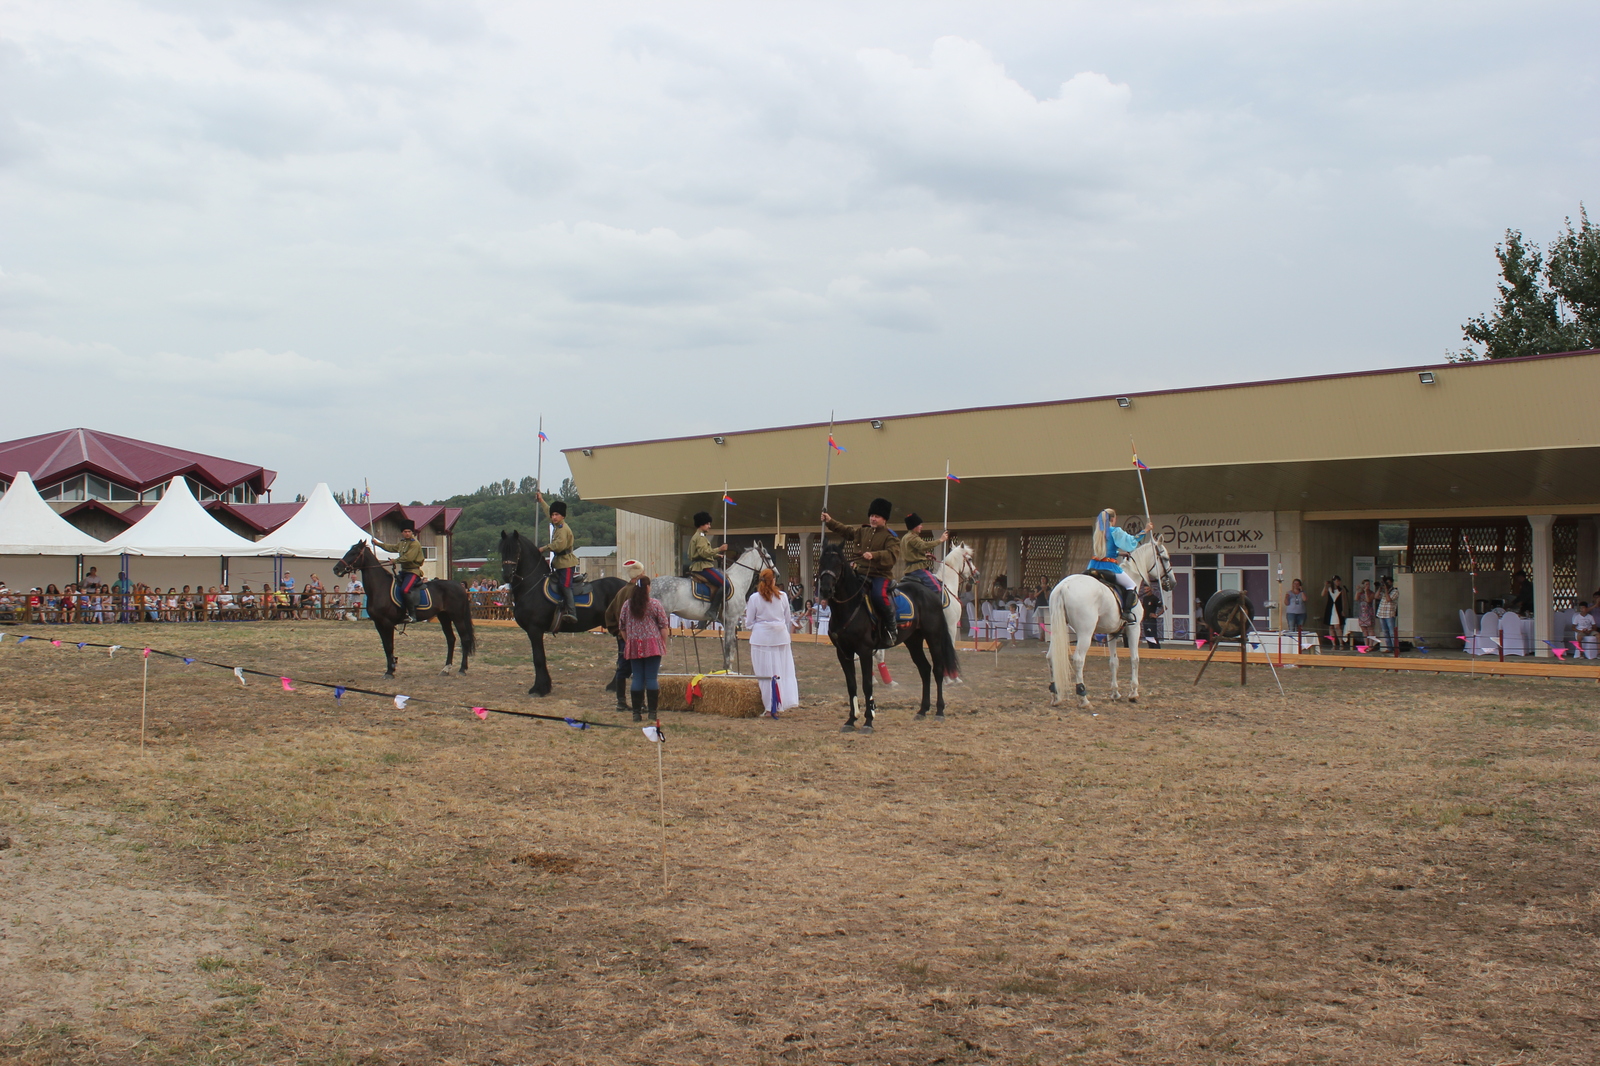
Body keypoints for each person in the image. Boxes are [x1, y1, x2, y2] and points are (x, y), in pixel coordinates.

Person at [823, 497, 901, 648]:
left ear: (884, 519)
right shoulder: (862, 531)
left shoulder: (891, 537)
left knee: (879, 596)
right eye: (871, 515)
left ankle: (891, 629)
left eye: (877, 516)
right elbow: (846, 531)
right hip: (859, 573)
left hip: (879, 575)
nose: (873, 519)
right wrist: (829, 521)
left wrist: (874, 555)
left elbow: (892, 555)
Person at [746, 567, 799, 716]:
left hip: (762, 639)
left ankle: (771, 707)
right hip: (780, 637)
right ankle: (778, 703)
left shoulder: (754, 598)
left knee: (765, 674)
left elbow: (749, 622)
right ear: (773, 580)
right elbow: (788, 619)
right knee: (781, 672)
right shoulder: (782, 596)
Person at [620, 574, 671, 722]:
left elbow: (622, 627)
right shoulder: (655, 604)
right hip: (653, 645)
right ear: (648, 588)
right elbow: (663, 626)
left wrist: (629, 640)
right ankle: (652, 713)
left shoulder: (627, 605)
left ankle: (636, 713)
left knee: (637, 678)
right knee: (651, 678)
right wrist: (663, 643)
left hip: (634, 644)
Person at [1089, 508, 1153, 625]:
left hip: (1093, 566)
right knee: (1131, 585)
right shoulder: (1115, 531)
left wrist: (1119, 553)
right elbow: (1131, 542)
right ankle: (1127, 612)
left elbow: (1103, 551)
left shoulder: (1098, 532)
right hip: (1109, 568)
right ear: (1113, 519)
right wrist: (1146, 530)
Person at [604, 560, 648, 712]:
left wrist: (617, 632)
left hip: (623, 638)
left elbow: (609, 614)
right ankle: (640, 704)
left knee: (622, 670)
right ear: (639, 575)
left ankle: (621, 702)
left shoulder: (621, 592)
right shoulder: (638, 593)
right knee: (639, 671)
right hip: (637, 638)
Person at [536, 500, 579, 631]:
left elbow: (558, 546)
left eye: (556, 515)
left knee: (565, 586)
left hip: (566, 563)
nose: (553, 517)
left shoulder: (562, 529)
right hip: (558, 564)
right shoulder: (557, 525)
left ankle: (572, 612)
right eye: (552, 515)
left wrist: (543, 548)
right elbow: (547, 510)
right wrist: (541, 500)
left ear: (563, 516)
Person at [376, 522, 428, 622]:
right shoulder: (402, 542)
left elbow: (408, 558)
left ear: (412, 532)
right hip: (404, 571)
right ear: (402, 533)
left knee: (405, 590)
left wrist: (394, 561)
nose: (407, 533)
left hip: (413, 572)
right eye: (405, 532)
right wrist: (378, 544)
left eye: (409, 531)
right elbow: (392, 548)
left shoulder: (414, 543)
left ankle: (412, 615)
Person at [686, 511, 730, 620]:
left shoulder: (698, 536)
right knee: (725, 584)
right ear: (702, 524)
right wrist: (719, 549)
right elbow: (703, 553)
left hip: (700, 564)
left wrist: (716, 556)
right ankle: (713, 610)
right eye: (708, 524)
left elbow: (702, 554)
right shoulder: (700, 537)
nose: (709, 526)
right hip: (703, 567)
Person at [900, 513, 949, 593]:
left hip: (909, 570)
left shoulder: (905, 538)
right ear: (914, 526)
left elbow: (911, 554)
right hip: (918, 569)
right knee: (937, 588)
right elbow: (924, 545)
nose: (921, 527)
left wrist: (925, 556)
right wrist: (940, 540)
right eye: (920, 525)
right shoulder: (913, 537)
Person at [1322, 575, 1348, 649]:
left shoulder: (1341, 590)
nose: (1338, 582)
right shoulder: (1329, 589)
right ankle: (1333, 644)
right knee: (1331, 627)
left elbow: (1344, 601)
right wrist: (1325, 586)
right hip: (1330, 609)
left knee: (1337, 626)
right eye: (1336, 581)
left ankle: (1341, 643)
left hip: (1338, 609)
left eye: (1339, 581)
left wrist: (1343, 610)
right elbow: (1322, 594)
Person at [1139, 582, 1165, 647]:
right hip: (1145, 619)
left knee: (1153, 636)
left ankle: (1157, 650)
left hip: (1151, 620)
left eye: (1147, 589)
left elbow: (1164, 607)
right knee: (1148, 636)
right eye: (1145, 590)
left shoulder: (1154, 598)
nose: (1146, 591)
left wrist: (1157, 615)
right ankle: (1150, 649)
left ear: (1151, 590)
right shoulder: (1145, 598)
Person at [1377, 576, 1399, 652]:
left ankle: (1396, 648)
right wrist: (1380, 588)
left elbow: (1388, 599)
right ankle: (1389, 648)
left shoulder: (1395, 591)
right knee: (1385, 632)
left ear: (1392, 583)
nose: (1387, 584)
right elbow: (1376, 597)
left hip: (1389, 614)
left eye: (1388, 583)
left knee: (1392, 632)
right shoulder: (1383, 591)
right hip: (1381, 613)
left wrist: (1386, 590)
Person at [1356, 579, 1377, 645]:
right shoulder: (1360, 593)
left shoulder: (1372, 593)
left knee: (1370, 630)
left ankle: (1371, 645)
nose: (1368, 586)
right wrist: (1358, 590)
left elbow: (1368, 600)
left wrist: (1366, 592)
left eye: (1368, 584)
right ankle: (1366, 645)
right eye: (1366, 584)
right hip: (1362, 613)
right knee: (1364, 630)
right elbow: (1356, 598)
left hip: (1369, 613)